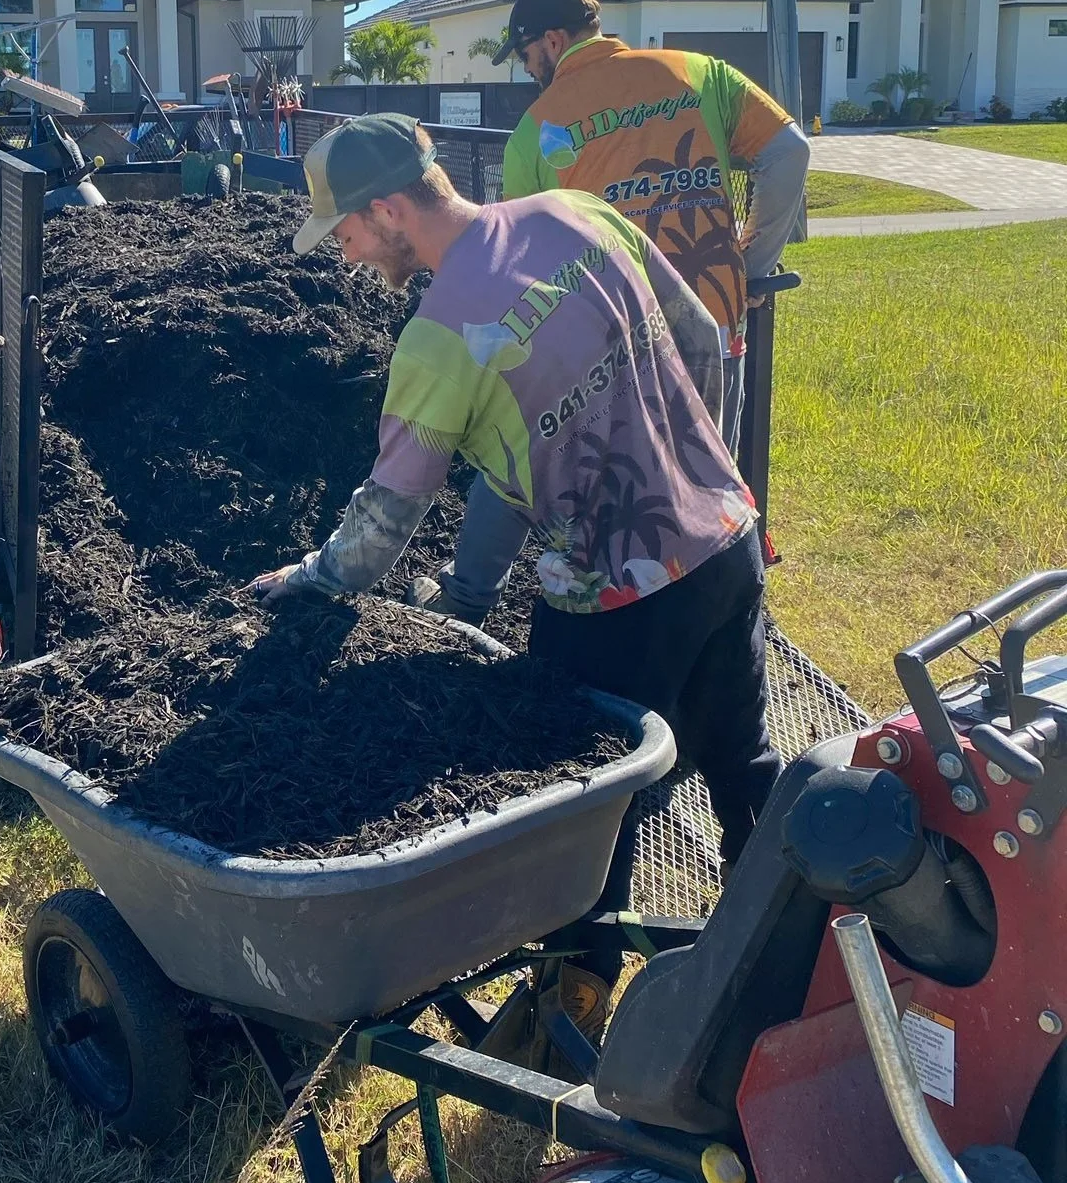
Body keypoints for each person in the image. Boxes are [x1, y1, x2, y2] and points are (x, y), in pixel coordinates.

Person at [249, 113, 782, 1038]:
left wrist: (307, 580)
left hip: (615, 600)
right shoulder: (577, 213)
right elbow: (702, 337)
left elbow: (386, 518)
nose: (340, 252)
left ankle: (574, 1000)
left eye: (342, 230)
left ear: (387, 211)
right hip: (727, 537)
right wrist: (702, 473)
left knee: (586, 809)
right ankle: (788, 946)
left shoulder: (440, 334)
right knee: (740, 758)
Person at [415, 0, 810, 625]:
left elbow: (525, 257)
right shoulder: (696, 72)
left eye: (526, 54)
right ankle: (721, 620)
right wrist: (753, 262)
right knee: (705, 478)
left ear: (551, 40)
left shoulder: (535, 132)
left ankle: (470, 597)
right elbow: (788, 152)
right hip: (713, 312)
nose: (527, 70)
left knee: (524, 451)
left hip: (610, 336)